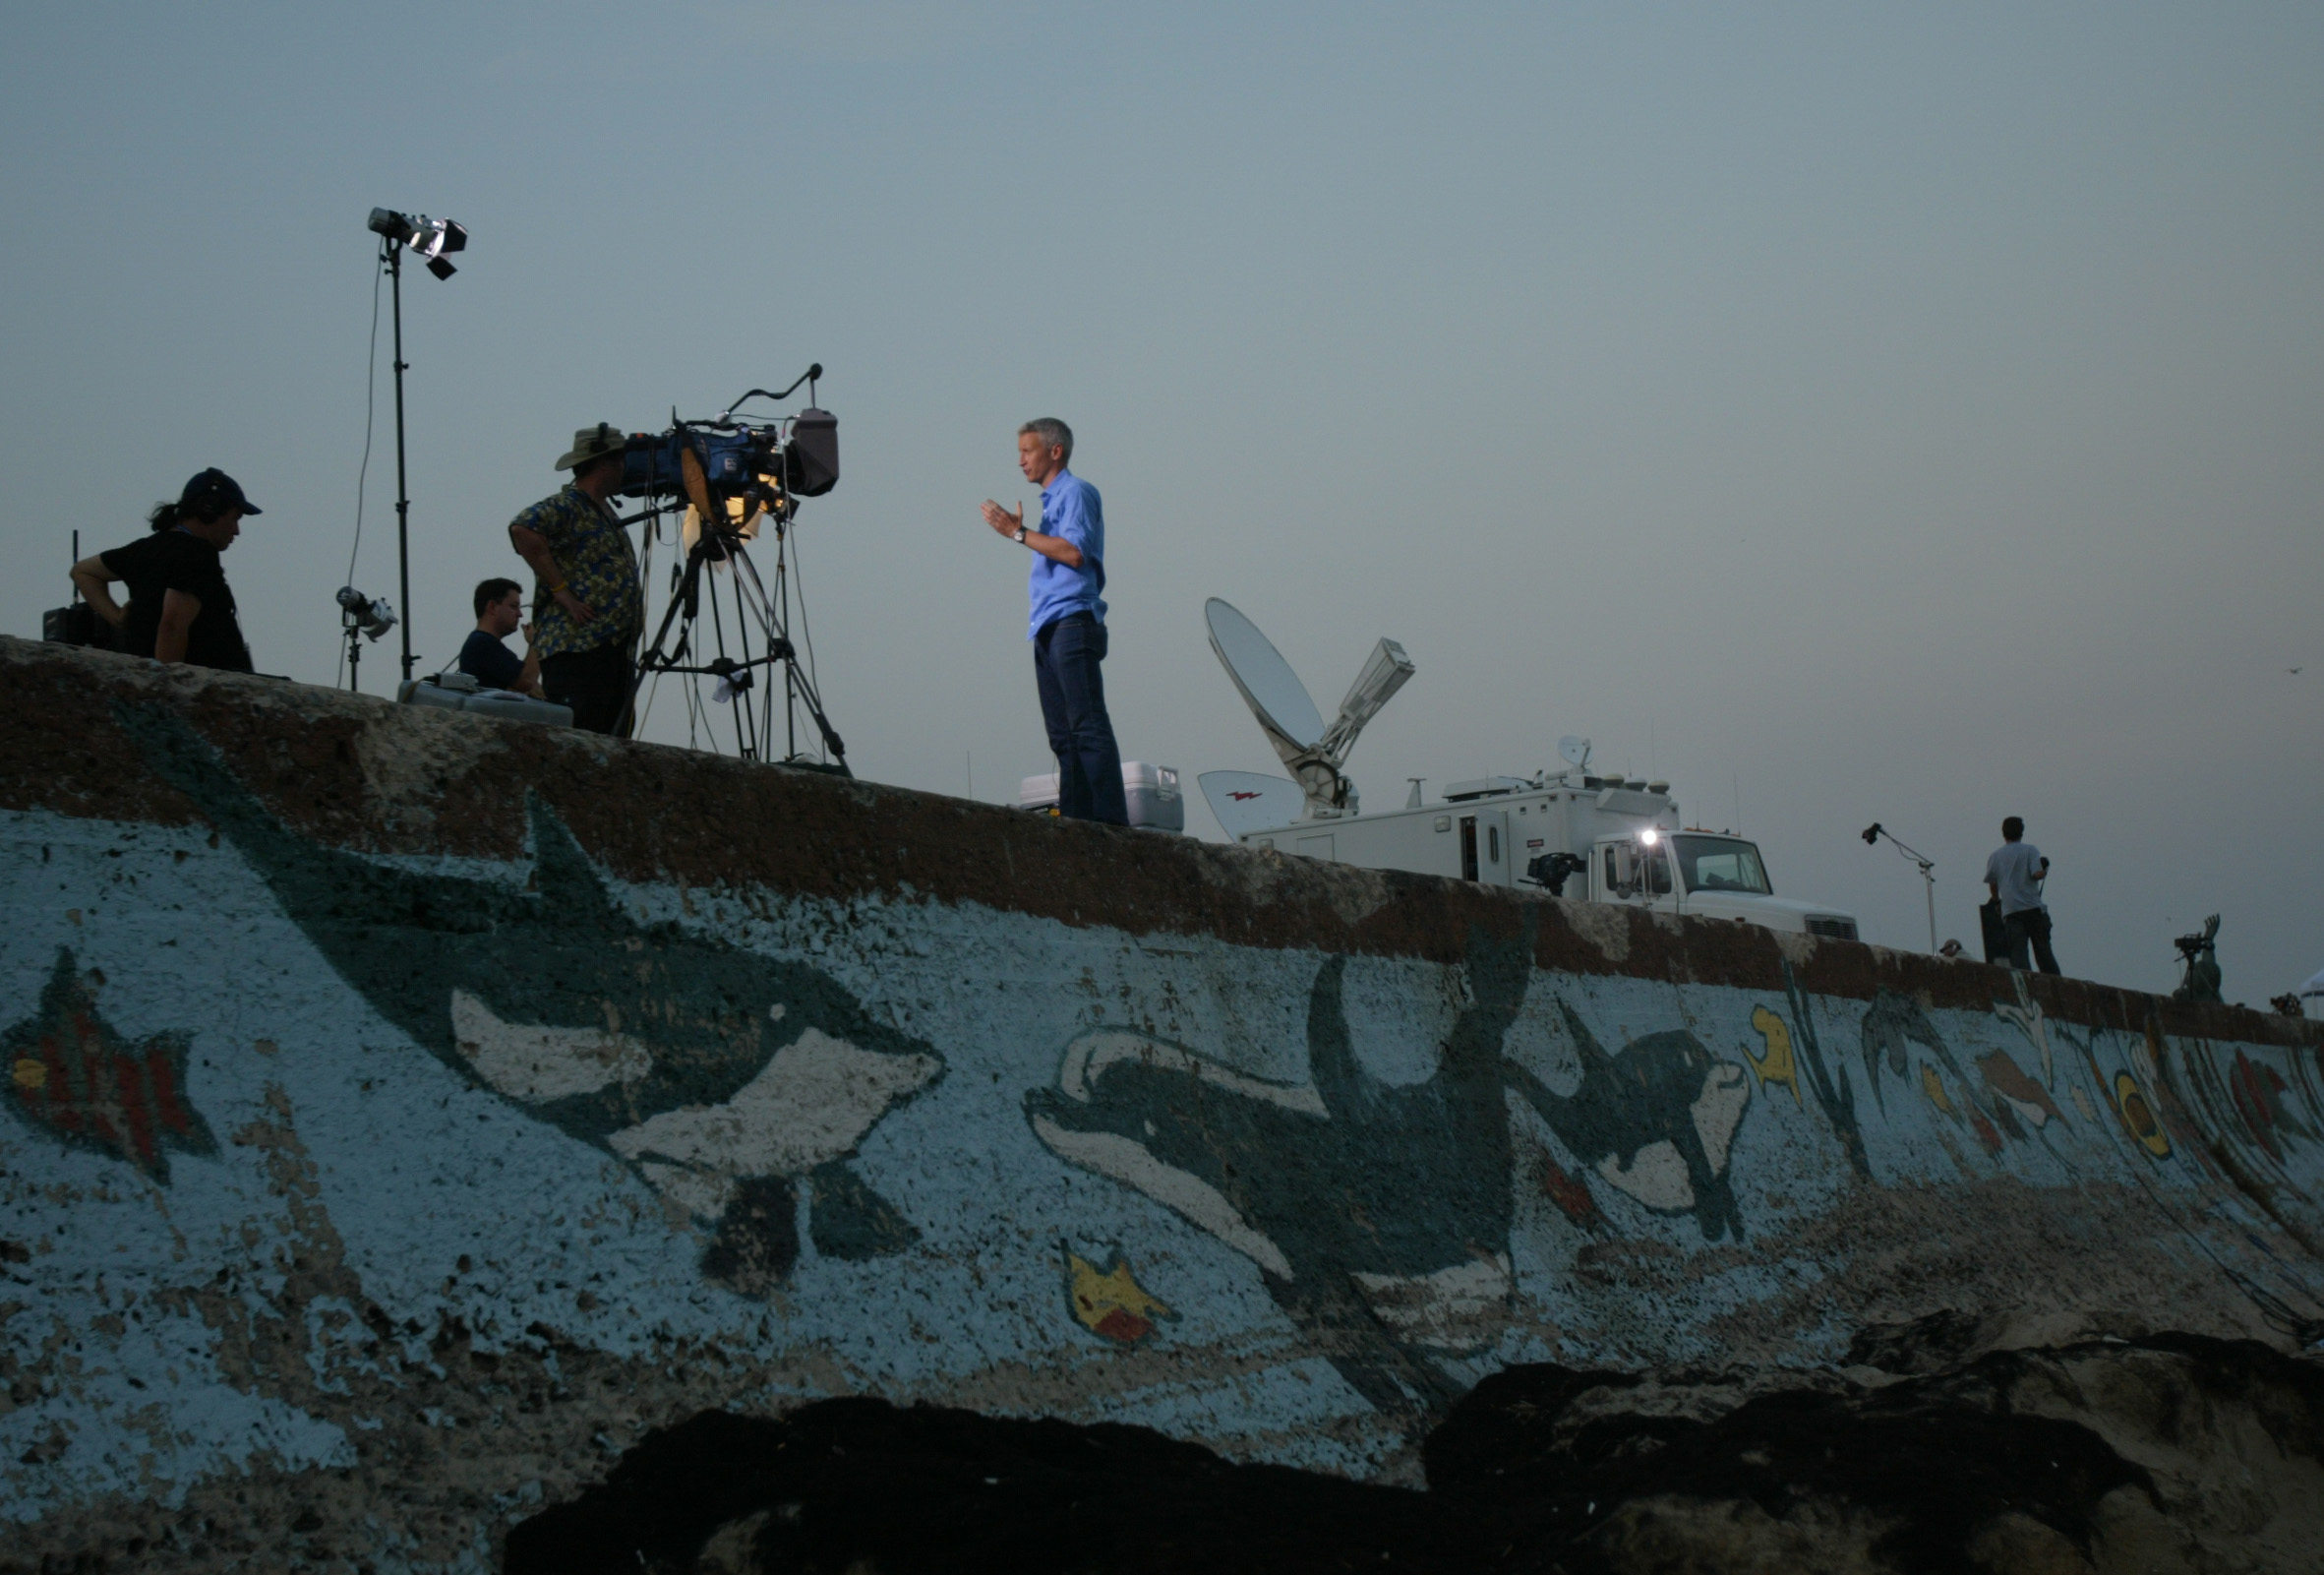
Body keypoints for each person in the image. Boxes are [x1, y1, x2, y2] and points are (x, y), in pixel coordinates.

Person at [979, 418, 1127, 824]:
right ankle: (1079, 825)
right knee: (1063, 737)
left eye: (1027, 451)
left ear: (1054, 451)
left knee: (1087, 727)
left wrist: (1018, 532)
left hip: (1072, 621)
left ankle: (1114, 827)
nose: (1021, 461)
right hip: (1048, 626)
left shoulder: (1075, 492)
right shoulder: (1050, 503)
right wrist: (1020, 532)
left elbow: (1075, 553)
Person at [507, 425, 642, 735]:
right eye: (619, 459)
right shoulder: (569, 505)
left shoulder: (604, 511)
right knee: (581, 733)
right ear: (605, 462)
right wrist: (561, 591)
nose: (624, 467)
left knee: (611, 739)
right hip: (578, 648)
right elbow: (523, 529)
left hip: (611, 649)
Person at [69, 468, 261, 672]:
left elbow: (82, 571)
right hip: (201, 691)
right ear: (209, 510)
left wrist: (118, 618)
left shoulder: (144, 549)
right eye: (235, 518)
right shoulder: (197, 553)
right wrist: (168, 690)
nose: (236, 530)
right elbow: (172, 625)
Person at [1984, 817, 2059, 975]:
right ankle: (2056, 984)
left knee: (2019, 955)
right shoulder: (2030, 850)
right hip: (2033, 909)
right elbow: (2037, 874)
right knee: (2043, 952)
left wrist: (1997, 902)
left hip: (2012, 911)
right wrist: (2044, 868)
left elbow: (1992, 883)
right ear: (2021, 833)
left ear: (2003, 834)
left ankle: (2026, 987)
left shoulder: (1995, 856)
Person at [457, 577, 543, 696]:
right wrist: (536, 641)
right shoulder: (483, 644)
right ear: (492, 607)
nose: (520, 614)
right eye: (513, 606)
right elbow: (528, 680)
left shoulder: (480, 643)